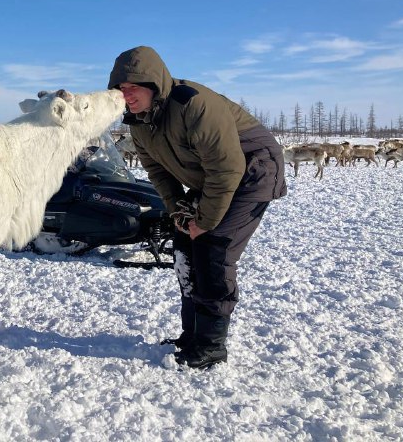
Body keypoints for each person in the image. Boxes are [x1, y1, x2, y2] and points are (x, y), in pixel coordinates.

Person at [108, 46, 287, 369]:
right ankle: (191, 335)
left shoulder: (194, 105)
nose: (127, 95)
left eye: (134, 87)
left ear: (154, 85)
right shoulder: (138, 123)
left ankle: (211, 345)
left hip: (253, 170)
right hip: (214, 178)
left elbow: (227, 167)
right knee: (185, 246)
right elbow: (158, 172)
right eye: (121, 89)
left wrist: (204, 220)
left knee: (213, 248)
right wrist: (178, 210)